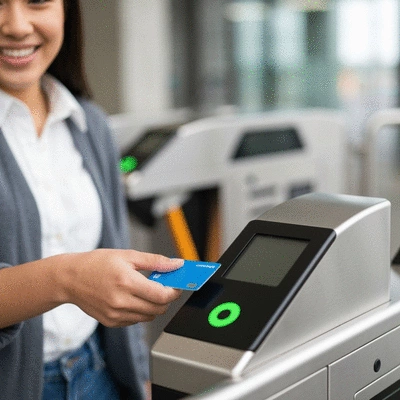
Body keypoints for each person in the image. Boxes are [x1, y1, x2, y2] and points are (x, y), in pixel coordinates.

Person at [0, 0, 184, 399]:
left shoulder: (90, 123)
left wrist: (138, 378)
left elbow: (115, 253)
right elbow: (81, 275)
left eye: (37, 2)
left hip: (98, 374)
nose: (16, 26)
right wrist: (67, 279)